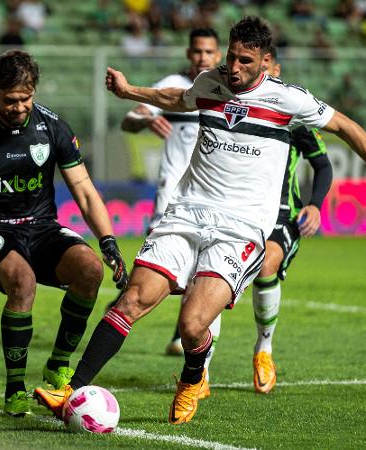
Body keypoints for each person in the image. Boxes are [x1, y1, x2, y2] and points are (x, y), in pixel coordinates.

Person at [34, 16, 366, 425]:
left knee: (193, 326)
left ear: (265, 61)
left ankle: (193, 379)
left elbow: (347, 126)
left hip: (240, 229)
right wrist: (128, 91)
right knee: (132, 299)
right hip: (186, 213)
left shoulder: (288, 100)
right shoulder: (212, 82)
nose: (235, 67)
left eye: (246, 60)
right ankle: (68, 391)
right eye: (231, 56)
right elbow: (177, 98)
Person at [0, 49, 128, 417]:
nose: (19, 107)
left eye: (26, 98)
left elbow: (85, 191)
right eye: (10, 100)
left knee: (89, 269)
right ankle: (14, 388)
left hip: (42, 228)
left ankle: (58, 364)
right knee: (23, 282)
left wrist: (108, 241)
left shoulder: (53, 127)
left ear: (34, 91)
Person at [204, 47, 334, 395]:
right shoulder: (233, 106)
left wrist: (316, 205)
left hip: (281, 215)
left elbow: (322, 164)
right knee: (211, 276)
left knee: (265, 266)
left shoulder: (293, 114)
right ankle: (201, 368)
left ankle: (264, 349)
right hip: (236, 210)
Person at [107, 27, 222, 399]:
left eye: (209, 52)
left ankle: (200, 367)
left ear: (218, 56)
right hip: (170, 202)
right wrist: (144, 120)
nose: (202, 58)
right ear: (189, 54)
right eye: (197, 51)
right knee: (162, 279)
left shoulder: (224, 93)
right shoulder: (172, 86)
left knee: (208, 277)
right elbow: (129, 120)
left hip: (211, 202)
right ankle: (142, 319)